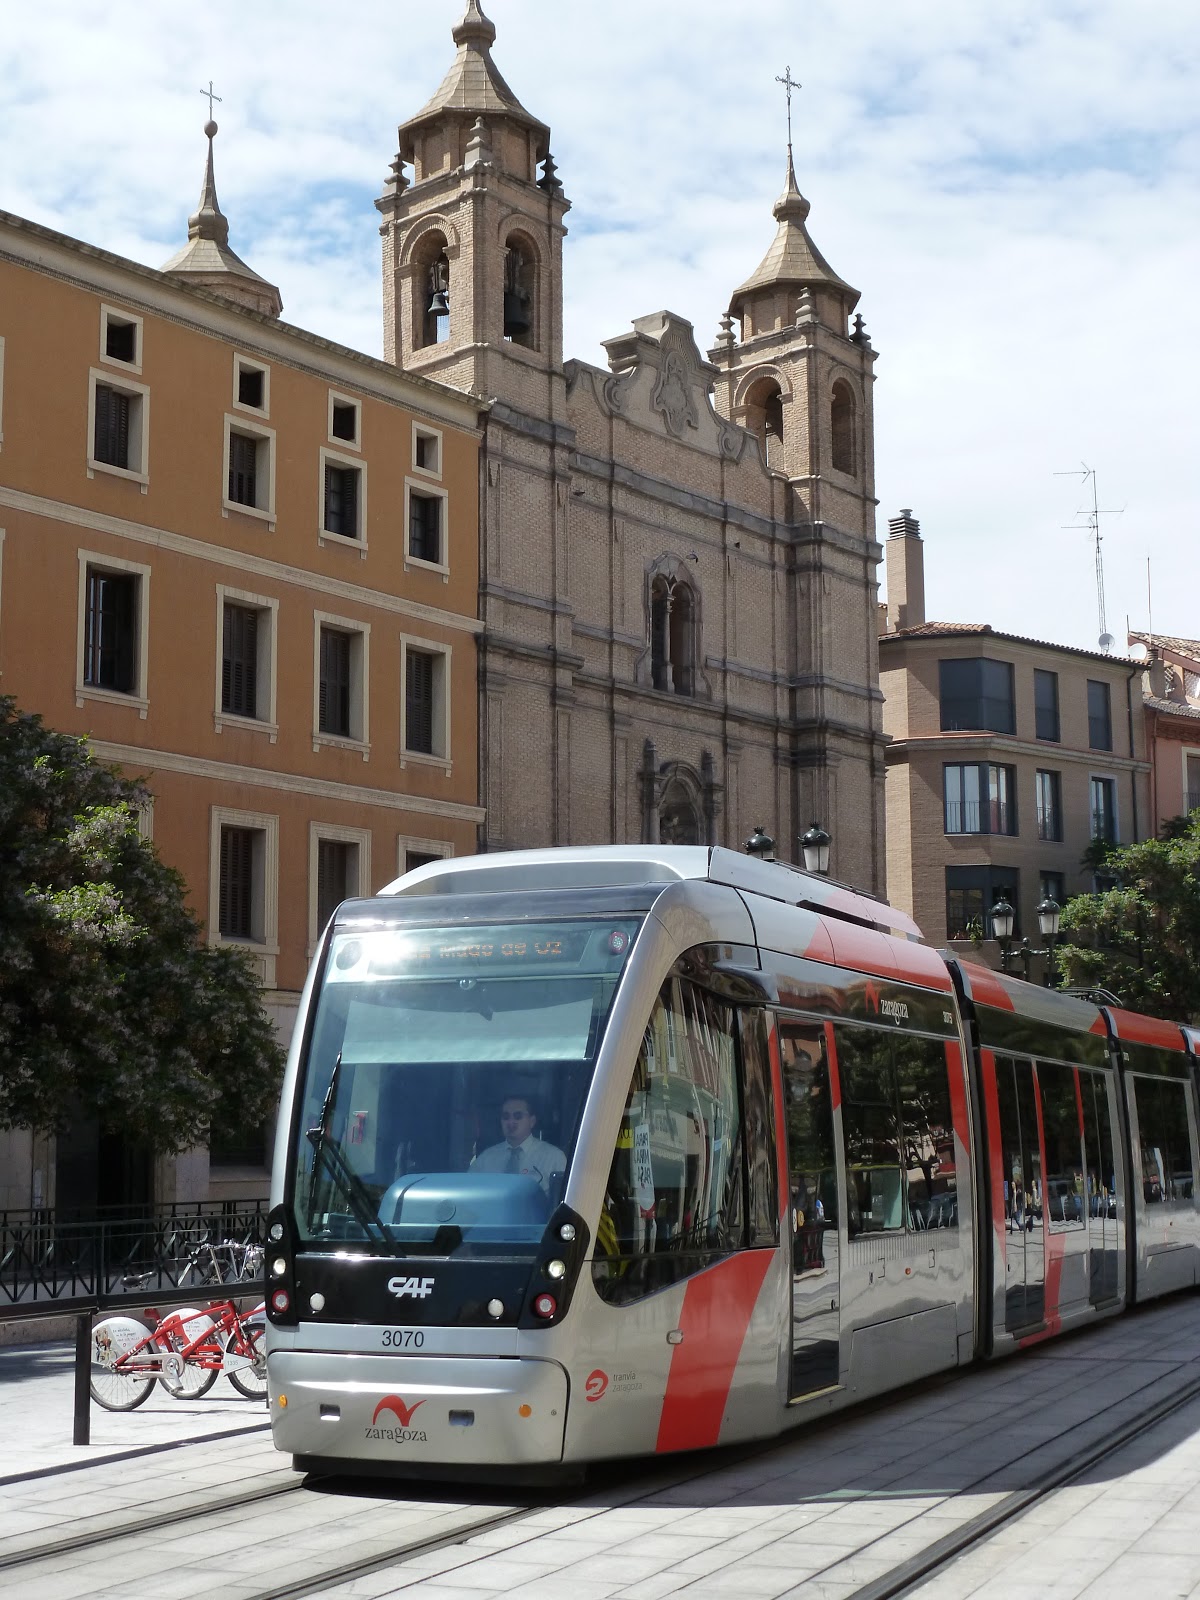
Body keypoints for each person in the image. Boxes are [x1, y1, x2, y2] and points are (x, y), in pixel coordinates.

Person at [471, 1094, 566, 1194]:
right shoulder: (486, 1158)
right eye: (506, 1117)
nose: (511, 1122)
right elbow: (469, 1192)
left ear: (532, 1121)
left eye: (518, 1116)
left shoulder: (554, 1157)